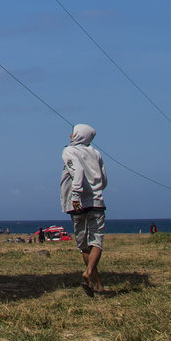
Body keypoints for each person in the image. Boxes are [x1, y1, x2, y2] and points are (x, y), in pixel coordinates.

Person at [60, 123, 107, 295]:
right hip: (96, 203)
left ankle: (91, 275)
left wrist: (76, 196)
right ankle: (96, 282)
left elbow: (77, 171)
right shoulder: (96, 153)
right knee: (97, 241)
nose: (70, 136)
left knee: (83, 245)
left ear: (78, 135)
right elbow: (103, 179)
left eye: (73, 133)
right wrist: (95, 192)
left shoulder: (69, 151)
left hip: (77, 205)